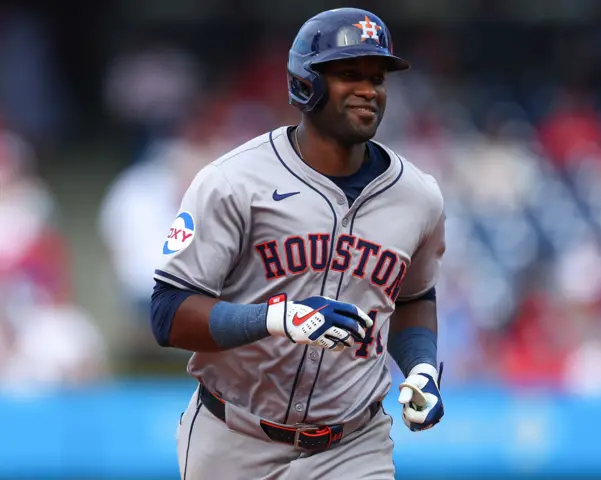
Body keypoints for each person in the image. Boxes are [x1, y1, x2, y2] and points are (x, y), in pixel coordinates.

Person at [150, 8, 446, 479]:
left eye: (378, 77)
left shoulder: (418, 196)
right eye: (350, 74)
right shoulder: (232, 181)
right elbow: (168, 313)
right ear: (306, 83)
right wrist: (278, 317)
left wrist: (422, 368)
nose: (369, 89)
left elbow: (414, 298)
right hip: (233, 437)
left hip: (352, 444)